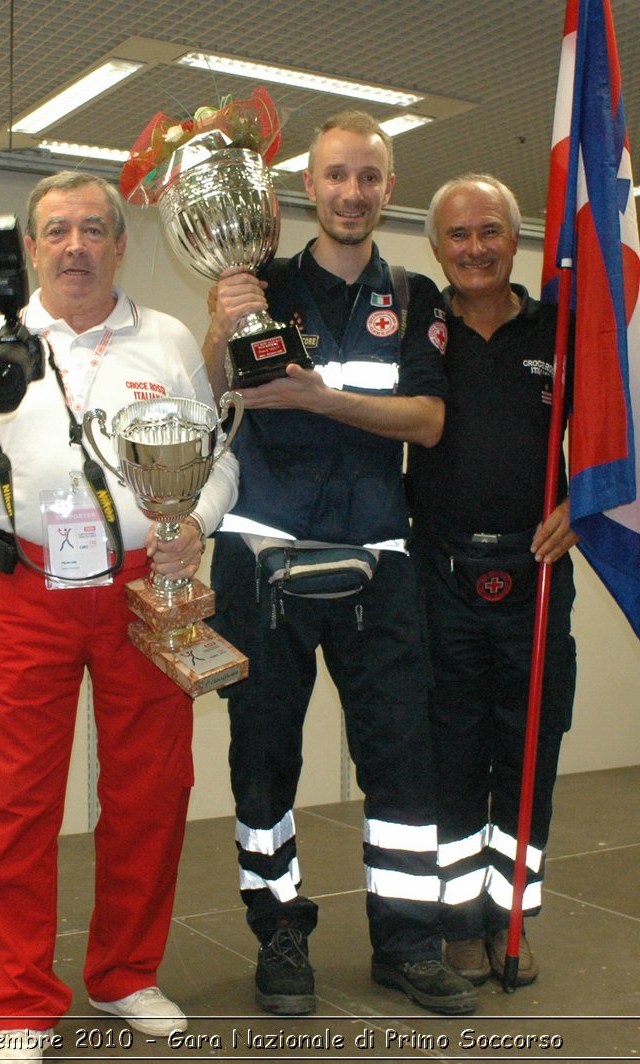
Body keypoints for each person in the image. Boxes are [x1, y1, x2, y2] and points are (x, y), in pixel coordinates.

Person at [0, 171, 238, 1062]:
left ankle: (126, 973)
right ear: (32, 249)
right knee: (15, 798)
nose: (76, 245)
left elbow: (218, 462)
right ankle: (22, 1002)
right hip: (27, 596)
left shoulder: (163, 340)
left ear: (122, 245)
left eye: (94, 229)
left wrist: (193, 527)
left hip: (140, 591)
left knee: (151, 791)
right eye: (57, 231)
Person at [201, 112, 475, 1016]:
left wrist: (322, 397)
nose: (352, 192)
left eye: (369, 177)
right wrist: (220, 320)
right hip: (264, 556)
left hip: (379, 559)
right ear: (307, 186)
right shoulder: (261, 282)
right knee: (263, 758)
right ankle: (279, 937)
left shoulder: (416, 294)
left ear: (387, 189)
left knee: (402, 762)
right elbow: (216, 391)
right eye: (335, 176)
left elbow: (429, 422)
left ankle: (408, 943)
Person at [406, 173, 578, 990]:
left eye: (491, 232)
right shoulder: (416, 326)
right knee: (451, 759)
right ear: (436, 248)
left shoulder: (565, 331)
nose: (475, 248)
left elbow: (619, 444)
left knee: (528, 758)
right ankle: (457, 930)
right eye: (458, 236)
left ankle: (513, 920)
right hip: (439, 576)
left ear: (518, 241)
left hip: (537, 576)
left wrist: (584, 504)